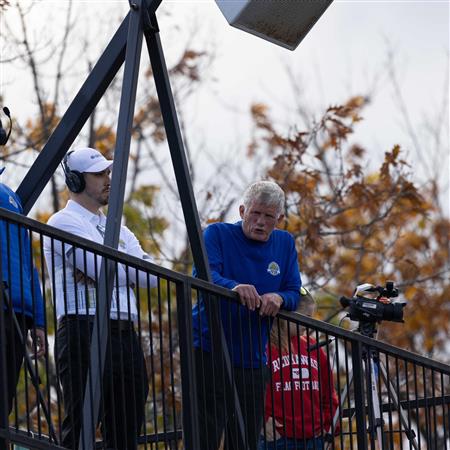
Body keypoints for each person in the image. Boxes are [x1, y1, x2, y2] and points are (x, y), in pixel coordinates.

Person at [43, 147, 155, 450]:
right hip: (83, 328)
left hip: (124, 335)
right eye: (99, 174)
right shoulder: (62, 221)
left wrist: (110, 270)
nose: (108, 179)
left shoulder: (119, 227)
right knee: (81, 425)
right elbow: (108, 269)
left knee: (126, 428)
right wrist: (123, 269)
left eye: (108, 173)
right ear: (77, 181)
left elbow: (151, 275)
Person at [192, 180, 301, 450]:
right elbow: (203, 276)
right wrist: (233, 287)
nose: (261, 221)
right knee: (204, 433)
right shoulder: (216, 234)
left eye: (269, 216)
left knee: (245, 438)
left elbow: (293, 291)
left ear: (280, 219)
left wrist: (279, 298)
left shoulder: (285, 243)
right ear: (242, 211)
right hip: (209, 349)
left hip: (253, 358)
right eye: (255, 213)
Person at [0, 168, 46, 450]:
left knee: (4, 397)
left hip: (17, 309)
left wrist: (39, 320)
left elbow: (29, 263)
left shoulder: (11, 196)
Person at [260, 288, 339, 450]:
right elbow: (248, 390)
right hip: (278, 439)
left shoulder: (314, 347)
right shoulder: (263, 346)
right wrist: (260, 420)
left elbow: (329, 394)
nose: (309, 323)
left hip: (315, 439)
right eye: (306, 317)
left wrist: (329, 430)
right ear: (287, 314)